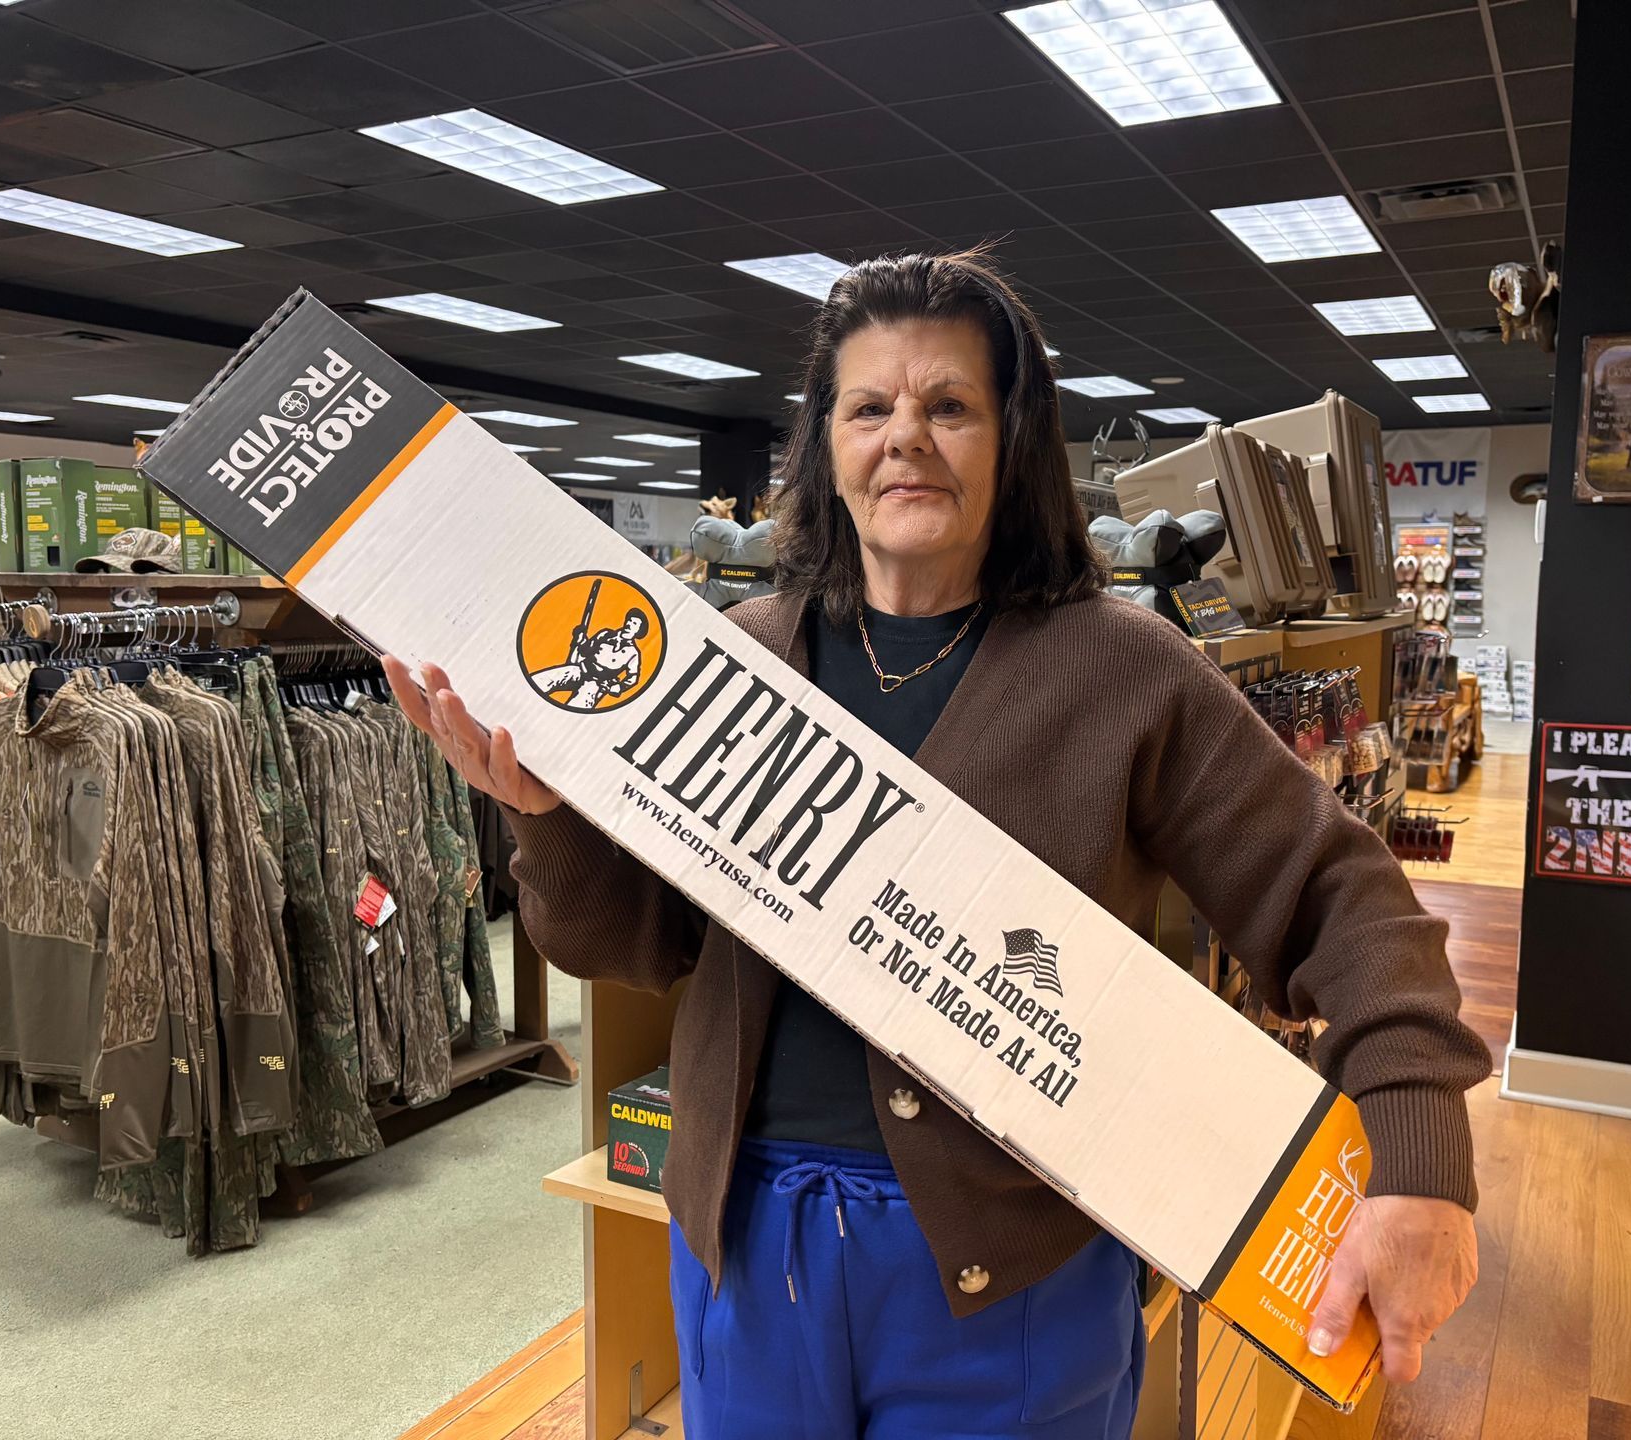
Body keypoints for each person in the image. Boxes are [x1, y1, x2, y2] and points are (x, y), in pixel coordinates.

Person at [386, 250, 1491, 1439]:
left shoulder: (1124, 668)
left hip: (1012, 1269)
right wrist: (545, 822)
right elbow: (637, 942)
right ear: (828, 446)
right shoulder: (730, 654)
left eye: (949, 406)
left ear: (1011, 443)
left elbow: (1341, 892)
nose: (905, 436)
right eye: (870, 407)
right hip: (746, 1248)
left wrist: (1419, 1147)